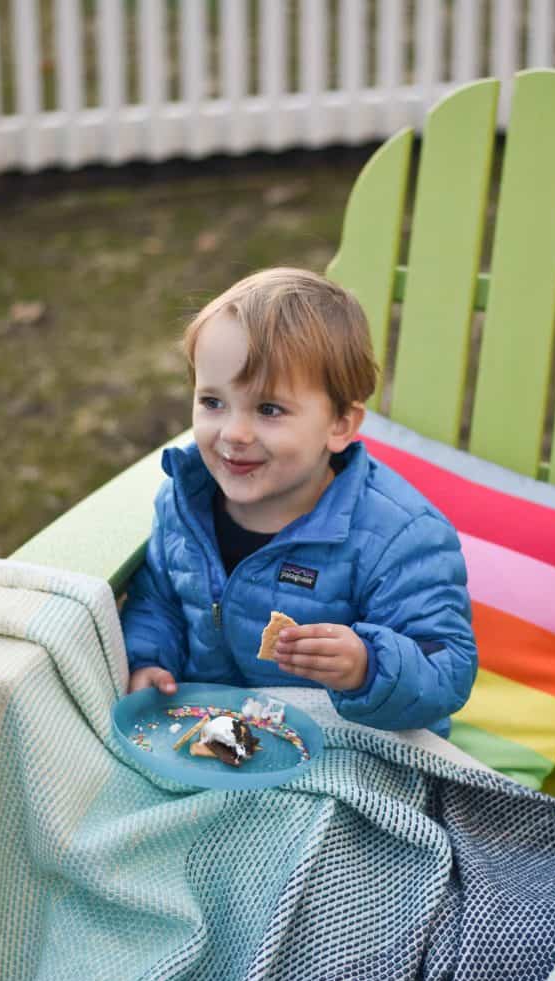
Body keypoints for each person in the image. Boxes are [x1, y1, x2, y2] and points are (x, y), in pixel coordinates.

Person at [121, 267, 477, 734]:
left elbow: (447, 669)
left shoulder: (400, 536)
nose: (234, 433)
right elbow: (159, 598)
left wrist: (366, 667)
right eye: (212, 402)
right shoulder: (185, 500)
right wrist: (150, 658)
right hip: (213, 733)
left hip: (351, 750)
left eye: (269, 409)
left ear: (339, 426)